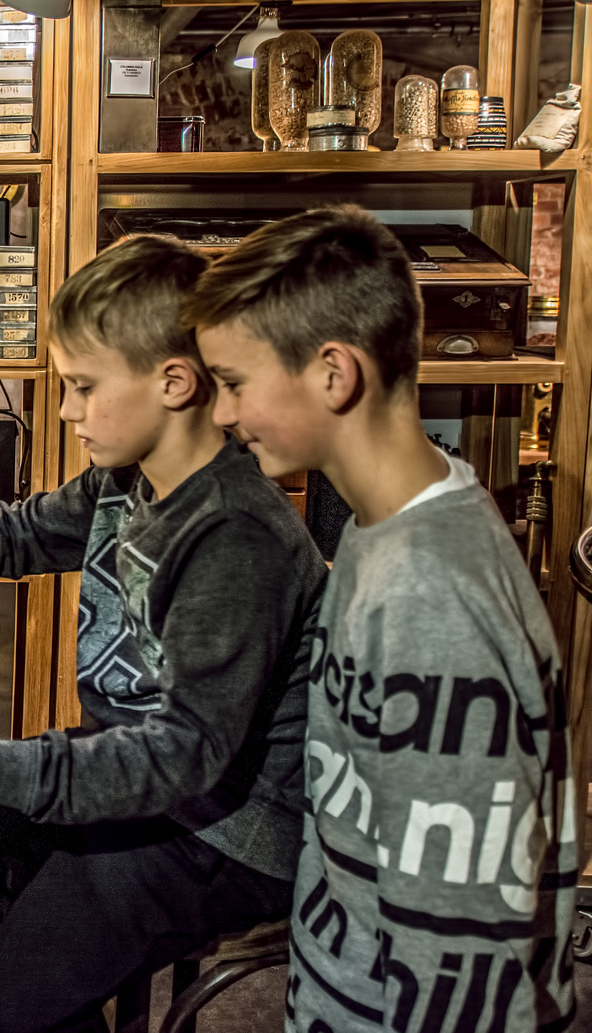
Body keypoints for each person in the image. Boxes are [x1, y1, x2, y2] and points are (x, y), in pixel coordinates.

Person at [0, 235, 328, 1033]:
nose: (64, 411)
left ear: (175, 383)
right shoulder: (129, 480)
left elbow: (181, 758)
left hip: (220, 831)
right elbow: (20, 533)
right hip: (140, 783)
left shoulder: (234, 537)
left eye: (82, 387)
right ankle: (43, 976)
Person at [185, 206, 577, 1033]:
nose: (221, 414)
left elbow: (471, 969)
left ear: (334, 373)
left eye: (235, 382)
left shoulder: (432, 600)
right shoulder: (378, 527)